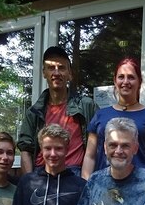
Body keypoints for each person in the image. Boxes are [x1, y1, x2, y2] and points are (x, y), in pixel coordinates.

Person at [17, 46, 97, 174]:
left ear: (70, 74)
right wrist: (30, 181)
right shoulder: (34, 112)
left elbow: (96, 147)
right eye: (51, 68)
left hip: (74, 173)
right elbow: (26, 149)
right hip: (41, 173)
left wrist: (85, 181)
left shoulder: (86, 105)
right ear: (44, 73)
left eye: (61, 68)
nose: (56, 73)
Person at [80, 57, 145, 178]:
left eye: (131, 77)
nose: (126, 81)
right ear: (115, 81)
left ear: (139, 82)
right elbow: (90, 156)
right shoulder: (100, 115)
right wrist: (86, 184)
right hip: (104, 187)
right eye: (121, 77)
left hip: (140, 188)